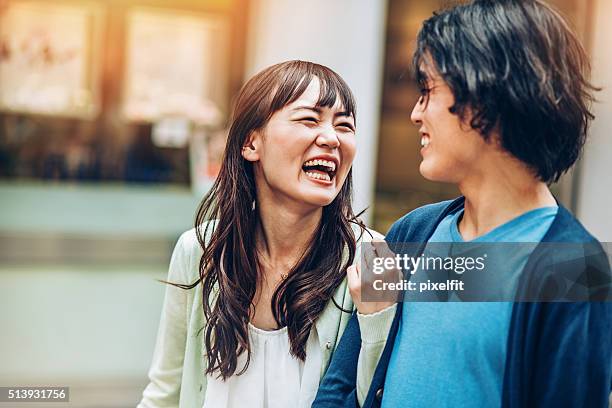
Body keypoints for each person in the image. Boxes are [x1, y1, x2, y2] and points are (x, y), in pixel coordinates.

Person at [313, 1, 612, 407]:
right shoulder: (409, 233)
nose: (417, 114)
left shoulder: (576, 270)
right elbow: (339, 388)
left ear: (485, 97)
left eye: (428, 92)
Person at [136, 60, 393, 408]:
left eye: (344, 125)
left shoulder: (369, 259)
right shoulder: (198, 250)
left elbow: (381, 397)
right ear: (250, 143)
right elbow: (164, 394)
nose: (331, 138)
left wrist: (377, 320)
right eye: (309, 119)